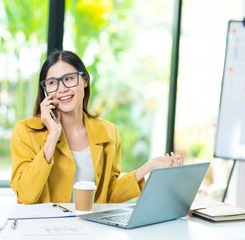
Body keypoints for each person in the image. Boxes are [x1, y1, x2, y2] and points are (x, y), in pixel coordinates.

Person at [10, 50, 184, 204]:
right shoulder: (25, 131)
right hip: (44, 230)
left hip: (90, 230)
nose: (61, 89)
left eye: (69, 79)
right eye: (52, 83)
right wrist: (52, 136)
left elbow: (108, 194)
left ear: (84, 80)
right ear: (46, 89)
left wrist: (149, 167)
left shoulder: (109, 132)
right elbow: (26, 195)